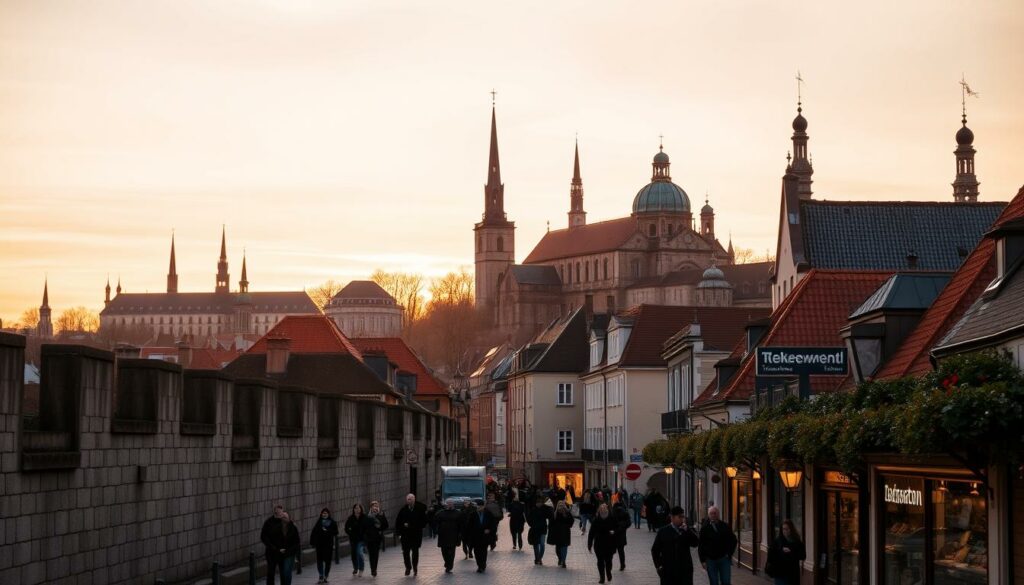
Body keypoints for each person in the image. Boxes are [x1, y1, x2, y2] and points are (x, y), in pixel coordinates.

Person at [651, 506, 700, 585]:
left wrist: (687, 530)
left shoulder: (686, 530)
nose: (682, 519)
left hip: (684, 570)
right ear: (672, 518)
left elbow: (695, 543)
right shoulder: (663, 531)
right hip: (668, 570)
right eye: (679, 517)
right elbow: (655, 550)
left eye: (683, 516)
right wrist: (659, 566)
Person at [698, 505, 738, 585]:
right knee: (714, 582)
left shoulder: (725, 526)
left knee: (726, 581)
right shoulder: (704, 528)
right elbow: (701, 545)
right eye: (711, 513)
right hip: (710, 560)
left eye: (715, 513)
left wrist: (729, 554)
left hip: (724, 559)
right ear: (708, 515)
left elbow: (733, 540)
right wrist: (702, 560)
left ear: (718, 514)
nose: (713, 515)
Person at [395, 493, 427, 576]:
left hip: (416, 535)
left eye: (411, 499)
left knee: (415, 552)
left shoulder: (419, 509)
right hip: (405, 535)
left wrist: (414, 525)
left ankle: (415, 567)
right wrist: (399, 533)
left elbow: (424, 522)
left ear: (414, 499)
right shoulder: (403, 510)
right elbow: (398, 522)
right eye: (408, 499)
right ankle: (408, 567)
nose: (410, 501)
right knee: (405, 552)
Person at [765, 519, 806, 585]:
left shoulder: (797, 541)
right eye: (784, 529)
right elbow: (771, 555)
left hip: (792, 573)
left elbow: (803, 556)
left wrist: (791, 551)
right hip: (780, 573)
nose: (785, 531)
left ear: (791, 529)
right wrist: (780, 551)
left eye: (787, 529)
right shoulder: (777, 541)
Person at [261, 504, 294, 585]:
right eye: (279, 513)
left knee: (283, 572)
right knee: (271, 572)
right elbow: (263, 536)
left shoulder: (285, 522)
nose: (281, 514)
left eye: (282, 513)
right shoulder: (268, 522)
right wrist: (272, 547)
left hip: (283, 552)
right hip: (271, 552)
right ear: (275, 512)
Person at [463, 500, 499, 573]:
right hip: (475, 537)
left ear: (483, 506)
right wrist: (467, 535)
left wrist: (489, 530)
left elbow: (493, 524)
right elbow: (469, 526)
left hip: (485, 536)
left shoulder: (488, 514)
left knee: (483, 551)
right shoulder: (473, 514)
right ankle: (479, 565)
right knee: (476, 552)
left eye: (480, 506)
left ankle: (482, 565)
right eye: (477, 506)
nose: (478, 507)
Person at [588, 503, 618, 584]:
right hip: (599, 543)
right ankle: (602, 577)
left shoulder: (612, 518)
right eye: (601, 508)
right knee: (600, 561)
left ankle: (608, 572)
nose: (603, 509)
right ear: (599, 509)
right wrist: (589, 544)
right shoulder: (596, 520)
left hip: (610, 543)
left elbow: (617, 528)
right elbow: (591, 532)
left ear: (607, 509)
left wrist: (614, 531)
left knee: (609, 561)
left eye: (604, 508)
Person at [309, 508, 339, 584]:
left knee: (328, 561)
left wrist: (328, 531)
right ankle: (321, 575)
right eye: (323, 513)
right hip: (320, 545)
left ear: (328, 514)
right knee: (319, 561)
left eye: (326, 513)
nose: (324, 514)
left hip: (328, 545)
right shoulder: (319, 522)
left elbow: (336, 532)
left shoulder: (332, 522)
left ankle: (326, 575)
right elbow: (314, 532)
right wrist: (312, 542)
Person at [434, 499, 463, 573]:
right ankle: (447, 563)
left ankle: (449, 566)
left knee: (451, 552)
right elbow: (435, 522)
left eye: (451, 503)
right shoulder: (440, 513)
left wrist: (460, 534)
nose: (449, 504)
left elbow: (461, 525)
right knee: (444, 551)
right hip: (443, 536)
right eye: (448, 503)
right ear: (445, 504)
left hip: (453, 536)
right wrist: (437, 531)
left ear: (453, 504)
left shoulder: (458, 513)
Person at [363, 500, 389, 577]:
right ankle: (373, 569)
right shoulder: (367, 516)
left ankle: (374, 569)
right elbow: (364, 527)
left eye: (377, 506)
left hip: (377, 538)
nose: (375, 508)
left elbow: (386, 525)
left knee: (376, 553)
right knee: (371, 554)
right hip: (369, 538)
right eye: (374, 506)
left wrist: (380, 528)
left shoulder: (381, 515)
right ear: (371, 508)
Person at [526, 495, 553, 565]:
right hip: (535, 529)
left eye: (540, 502)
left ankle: (539, 558)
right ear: (535, 503)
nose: (539, 504)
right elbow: (528, 519)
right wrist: (531, 525)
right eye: (538, 502)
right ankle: (537, 559)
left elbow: (550, 515)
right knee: (536, 545)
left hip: (543, 529)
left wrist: (549, 507)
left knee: (542, 544)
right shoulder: (533, 510)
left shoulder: (544, 509)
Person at [547, 500, 575, 568]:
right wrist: (551, 531)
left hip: (565, 533)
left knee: (564, 547)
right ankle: (560, 558)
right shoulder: (555, 514)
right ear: (557, 506)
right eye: (559, 505)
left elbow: (571, 521)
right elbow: (550, 524)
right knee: (558, 548)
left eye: (562, 505)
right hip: (557, 534)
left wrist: (568, 525)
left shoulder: (567, 513)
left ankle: (563, 561)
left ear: (564, 506)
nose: (561, 507)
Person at [344, 504, 367, 576]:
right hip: (353, 540)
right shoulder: (351, 518)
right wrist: (350, 532)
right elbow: (347, 528)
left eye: (358, 508)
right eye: (356, 508)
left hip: (362, 539)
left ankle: (361, 569)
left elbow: (368, 527)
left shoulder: (364, 517)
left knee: (359, 553)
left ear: (361, 509)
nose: (357, 509)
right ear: (353, 509)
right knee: (354, 554)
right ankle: (355, 568)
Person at [611, 501, 632, 571]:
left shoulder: (612, 512)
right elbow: (629, 523)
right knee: (621, 551)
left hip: (613, 535)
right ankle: (622, 564)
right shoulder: (625, 513)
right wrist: (623, 526)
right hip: (621, 535)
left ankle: (609, 564)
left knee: (611, 551)